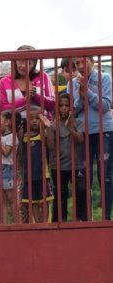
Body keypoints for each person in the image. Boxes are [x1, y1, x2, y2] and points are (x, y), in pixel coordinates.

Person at [68, 54, 113, 220]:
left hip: (104, 131)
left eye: (84, 61)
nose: (80, 65)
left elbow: (107, 105)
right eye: (77, 63)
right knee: (84, 178)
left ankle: (106, 218)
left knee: (105, 176)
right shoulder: (72, 84)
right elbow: (72, 110)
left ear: (92, 62)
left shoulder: (104, 78)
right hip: (83, 134)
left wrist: (87, 92)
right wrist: (81, 96)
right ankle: (87, 219)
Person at [46, 92, 85, 222]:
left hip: (76, 164)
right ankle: (60, 220)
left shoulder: (78, 122)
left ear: (71, 107)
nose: (63, 108)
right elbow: (51, 146)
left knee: (80, 191)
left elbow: (80, 139)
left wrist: (69, 128)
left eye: (66, 105)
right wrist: (48, 129)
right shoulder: (53, 125)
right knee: (60, 194)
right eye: (61, 105)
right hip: (58, 166)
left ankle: (81, 218)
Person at [0, 45, 56, 121]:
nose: (23, 65)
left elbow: (52, 104)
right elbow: (2, 109)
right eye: (20, 61)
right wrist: (26, 100)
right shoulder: (4, 81)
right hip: (15, 127)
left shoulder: (43, 76)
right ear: (15, 61)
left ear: (34, 64)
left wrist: (36, 96)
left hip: (42, 125)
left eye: (28, 63)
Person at [21, 107, 53, 223]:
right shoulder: (24, 137)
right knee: (32, 201)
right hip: (28, 175)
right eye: (31, 119)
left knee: (44, 200)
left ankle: (45, 222)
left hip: (43, 174)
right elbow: (19, 154)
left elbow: (51, 146)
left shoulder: (43, 135)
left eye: (37, 119)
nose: (34, 121)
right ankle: (37, 224)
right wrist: (20, 137)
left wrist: (47, 127)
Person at [0, 110, 18, 223]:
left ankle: (17, 224)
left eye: (1, 120)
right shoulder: (1, 136)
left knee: (11, 199)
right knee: (2, 201)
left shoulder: (12, 137)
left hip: (8, 168)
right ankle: (4, 225)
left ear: (8, 122)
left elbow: (6, 152)